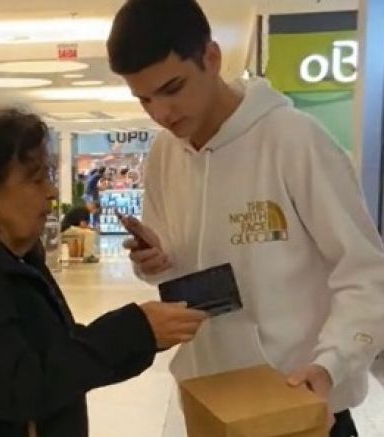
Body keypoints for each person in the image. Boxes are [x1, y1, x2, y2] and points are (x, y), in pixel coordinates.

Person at [107, 1, 384, 436]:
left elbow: (366, 273)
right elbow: (175, 261)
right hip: (212, 402)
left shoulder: (294, 140)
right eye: (144, 99)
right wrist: (154, 259)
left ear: (212, 58)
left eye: (173, 88)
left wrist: (330, 364)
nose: (161, 113)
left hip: (300, 402)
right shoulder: (164, 154)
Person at [0, 108, 208, 437]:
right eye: (35, 179)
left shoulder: (15, 260)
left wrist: (145, 334)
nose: (52, 192)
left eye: (49, 177)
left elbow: (60, 355)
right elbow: (20, 386)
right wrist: (134, 330)